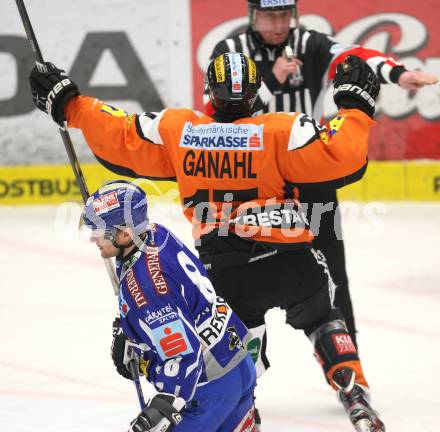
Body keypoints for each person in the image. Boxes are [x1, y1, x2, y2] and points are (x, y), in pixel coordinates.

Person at [29, 52, 385, 431]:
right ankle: (354, 393)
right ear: (254, 94)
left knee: (236, 346)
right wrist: (356, 105)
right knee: (323, 315)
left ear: (209, 93)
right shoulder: (282, 129)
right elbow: (342, 154)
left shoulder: (180, 131)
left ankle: (247, 412)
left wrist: (71, 103)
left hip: (229, 272)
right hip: (292, 259)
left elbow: (122, 136)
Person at [206, 0, 438, 374]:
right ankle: (236, 374)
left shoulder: (309, 42)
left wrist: (397, 73)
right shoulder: (230, 54)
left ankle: (349, 368)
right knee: (238, 277)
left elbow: (354, 55)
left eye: (284, 14)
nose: (278, 24)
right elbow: (215, 117)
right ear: (252, 15)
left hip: (307, 175)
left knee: (333, 270)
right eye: (269, 16)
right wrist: (270, 84)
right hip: (256, 183)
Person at [81, 179, 257, 432]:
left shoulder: (148, 290)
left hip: (208, 387)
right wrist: (133, 329)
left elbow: (184, 356)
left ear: (125, 233)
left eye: (99, 230)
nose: (93, 238)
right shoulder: (155, 233)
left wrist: (163, 407)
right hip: (236, 360)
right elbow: (177, 302)